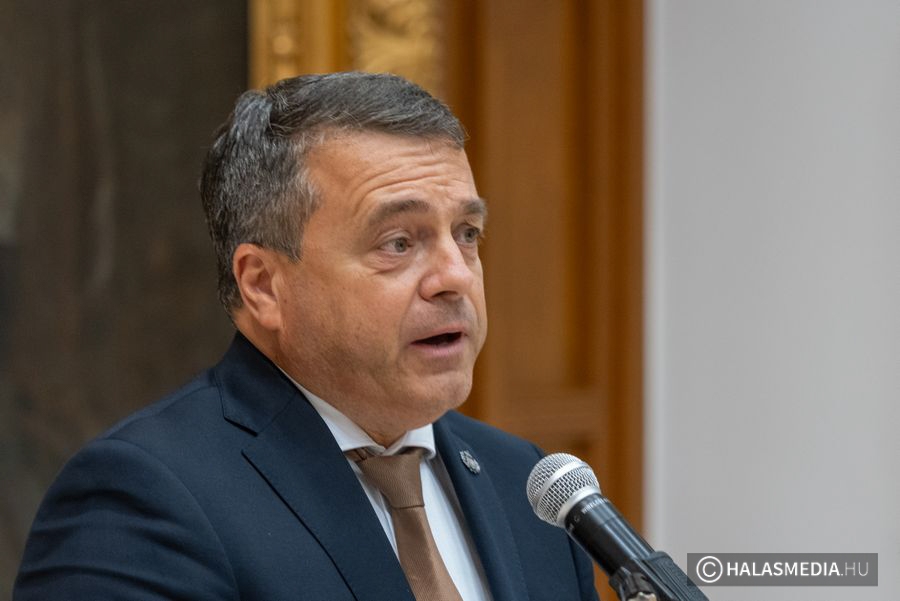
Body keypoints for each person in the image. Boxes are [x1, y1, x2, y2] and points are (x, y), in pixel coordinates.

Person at [14, 72, 598, 600]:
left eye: (467, 233)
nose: (455, 276)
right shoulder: (141, 499)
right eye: (398, 243)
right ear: (263, 284)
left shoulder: (527, 483)